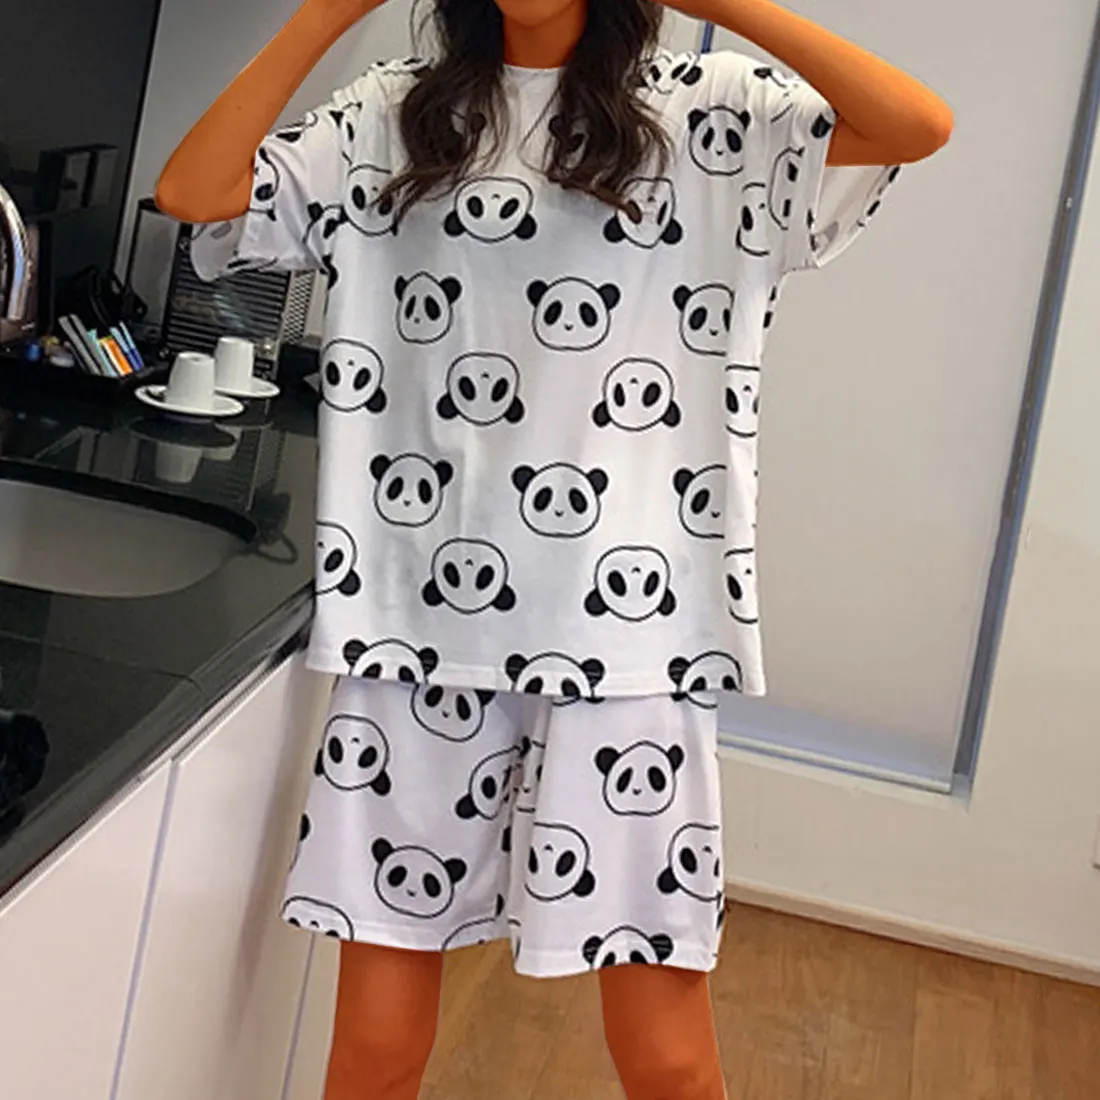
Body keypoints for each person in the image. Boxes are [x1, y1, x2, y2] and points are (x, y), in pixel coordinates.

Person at [157, 0, 951, 1096]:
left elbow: (916, 125)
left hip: (630, 638)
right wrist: (332, 8)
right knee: (375, 1050)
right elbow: (194, 194)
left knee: (667, 1057)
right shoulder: (391, 115)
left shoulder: (711, 115)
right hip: (415, 629)